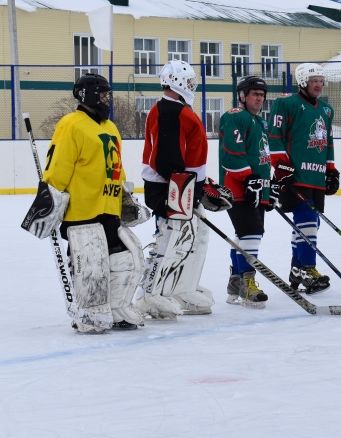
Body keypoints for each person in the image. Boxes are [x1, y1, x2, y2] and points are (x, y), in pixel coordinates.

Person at [21, 73, 151, 333]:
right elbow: (58, 167)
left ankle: (116, 309)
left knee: (125, 259)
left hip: (109, 208)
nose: (107, 99)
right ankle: (91, 312)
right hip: (82, 211)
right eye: (102, 94)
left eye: (107, 94)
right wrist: (50, 202)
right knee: (92, 265)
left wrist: (125, 197)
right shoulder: (71, 124)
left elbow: (117, 168)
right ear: (86, 95)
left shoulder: (110, 127)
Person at [139, 60, 231, 319]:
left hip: (184, 185)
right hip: (170, 187)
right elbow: (166, 159)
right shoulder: (169, 110)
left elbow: (188, 156)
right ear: (176, 82)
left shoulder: (179, 108)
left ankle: (181, 288)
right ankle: (150, 294)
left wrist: (202, 185)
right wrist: (186, 190)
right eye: (189, 81)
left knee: (196, 236)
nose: (192, 86)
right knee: (171, 239)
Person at [269, 63, 338, 293]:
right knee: (306, 218)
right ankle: (308, 268)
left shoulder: (326, 110)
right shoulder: (286, 103)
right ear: (302, 82)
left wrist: (331, 169)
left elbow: (328, 142)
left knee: (311, 223)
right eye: (313, 80)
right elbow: (274, 136)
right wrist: (280, 166)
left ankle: (296, 268)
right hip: (295, 175)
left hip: (316, 176)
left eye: (320, 80)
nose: (318, 84)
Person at [219, 76, 273, 307]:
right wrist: (249, 178)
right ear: (242, 96)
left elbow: (261, 157)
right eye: (255, 94)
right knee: (251, 233)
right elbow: (232, 152)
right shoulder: (235, 116)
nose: (259, 99)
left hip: (256, 187)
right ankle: (248, 282)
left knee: (247, 235)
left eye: (262, 95)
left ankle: (235, 281)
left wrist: (269, 186)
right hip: (238, 188)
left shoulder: (259, 122)